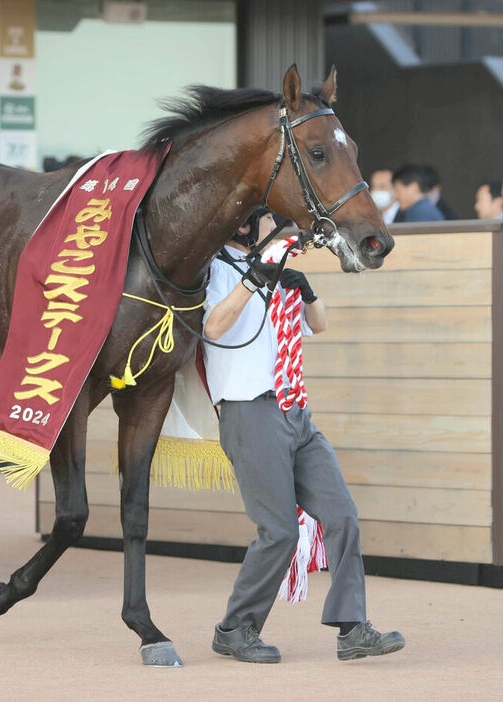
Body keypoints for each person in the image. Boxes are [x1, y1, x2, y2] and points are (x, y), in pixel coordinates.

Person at [202, 207, 404, 664]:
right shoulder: (215, 269)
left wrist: (305, 290)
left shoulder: (277, 274)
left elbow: (319, 324)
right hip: (250, 410)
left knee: (343, 516)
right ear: (243, 227)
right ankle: (235, 628)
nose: (281, 228)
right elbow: (213, 327)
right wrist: (254, 279)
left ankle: (353, 629)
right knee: (278, 532)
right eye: (271, 221)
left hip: (296, 409)